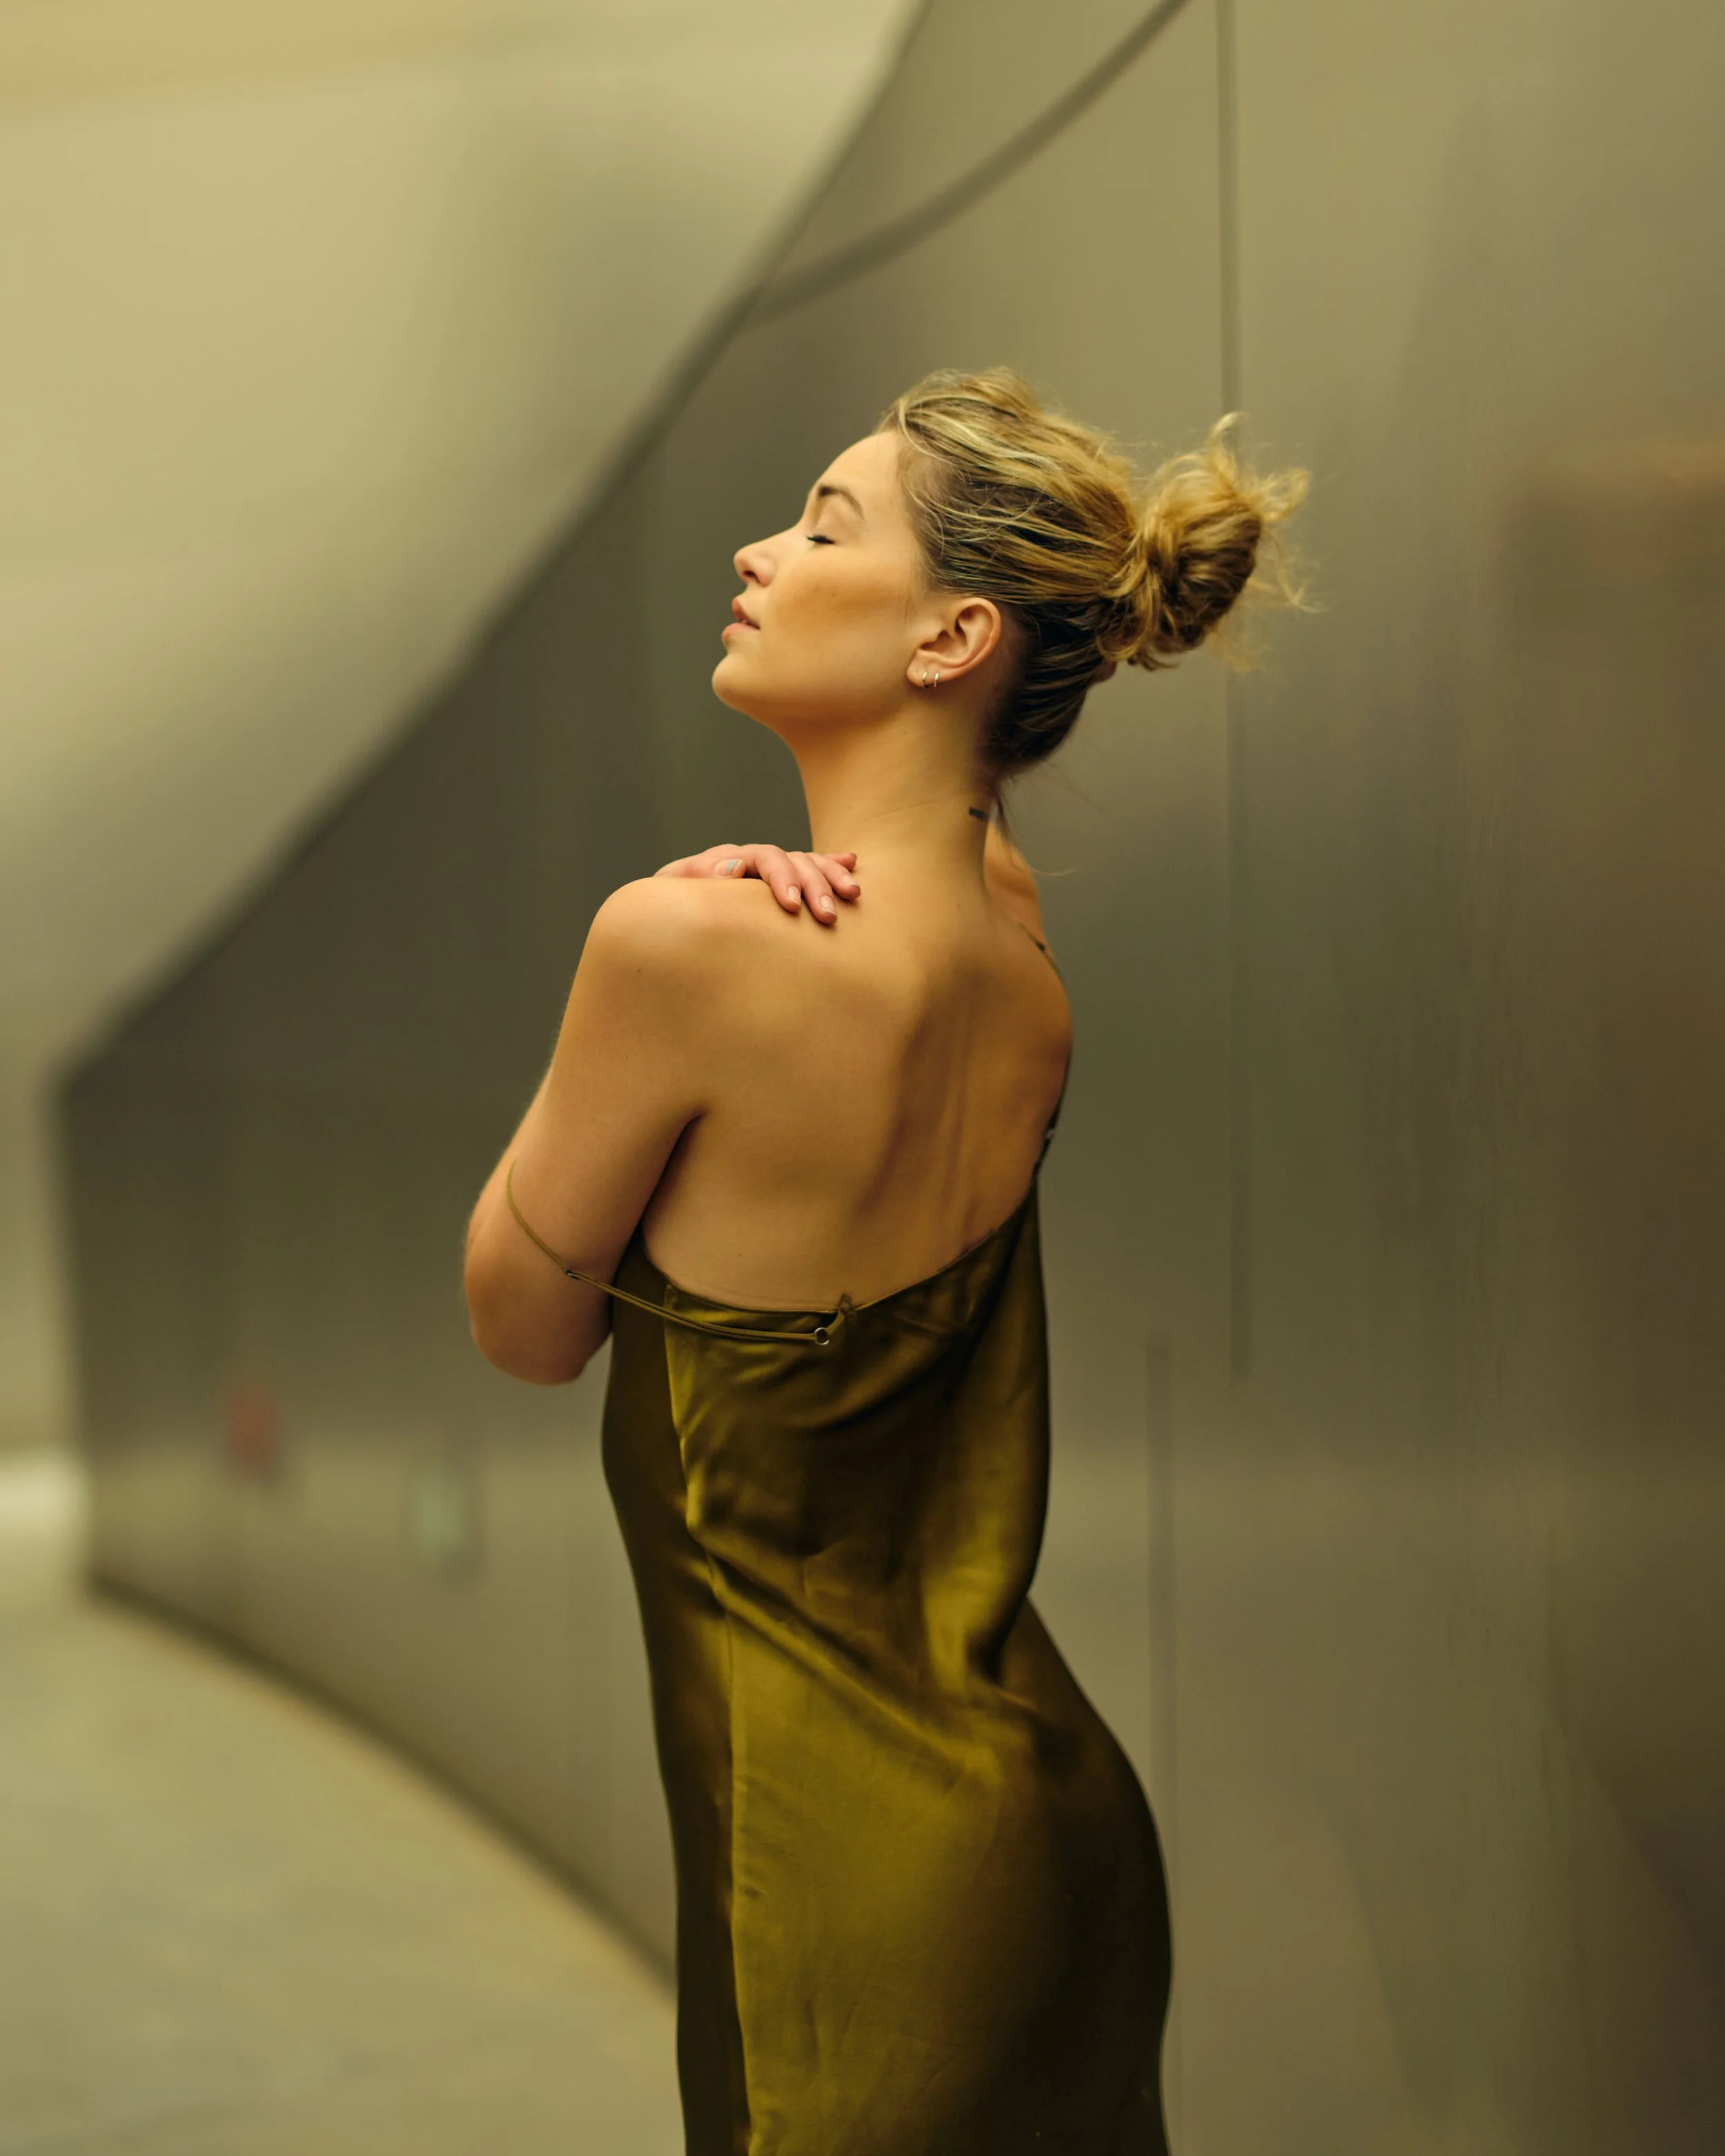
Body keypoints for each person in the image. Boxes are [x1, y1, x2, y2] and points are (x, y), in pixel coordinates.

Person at [463, 367, 1304, 2155]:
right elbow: (939, 882)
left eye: (826, 524)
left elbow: (523, 1322)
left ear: (953, 636)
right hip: (1055, 1840)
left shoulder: (681, 948)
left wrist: (668, 950)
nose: (761, 552)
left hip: (844, 1907)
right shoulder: (1012, 941)